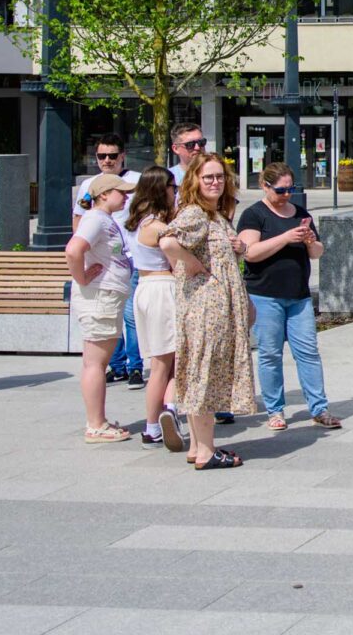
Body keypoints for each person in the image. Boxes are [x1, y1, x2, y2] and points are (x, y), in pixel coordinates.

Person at [159, 152, 256, 469]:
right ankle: (205, 451)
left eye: (219, 176)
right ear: (195, 181)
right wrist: (190, 263)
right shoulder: (196, 213)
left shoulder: (215, 214)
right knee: (205, 376)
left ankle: (198, 446)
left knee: (198, 373)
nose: (215, 182)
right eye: (208, 177)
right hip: (206, 309)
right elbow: (167, 242)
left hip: (211, 308)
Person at [237, 163, 339, 431]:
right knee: (270, 353)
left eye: (290, 189)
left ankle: (319, 408)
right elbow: (250, 253)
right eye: (280, 190)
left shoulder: (301, 213)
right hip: (265, 295)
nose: (286, 195)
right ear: (265, 186)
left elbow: (317, 252)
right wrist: (285, 237)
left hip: (298, 296)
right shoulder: (253, 215)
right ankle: (275, 410)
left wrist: (307, 240)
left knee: (308, 352)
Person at [65, 172, 137, 444]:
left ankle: (98, 420)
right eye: (121, 192)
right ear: (104, 194)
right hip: (99, 297)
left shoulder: (102, 219)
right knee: (96, 363)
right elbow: (74, 250)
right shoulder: (95, 218)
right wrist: (81, 277)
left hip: (105, 296)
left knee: (96, 362)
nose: (126, 196)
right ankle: (96, 424)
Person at [75, 134, 143, 389]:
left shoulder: (135, 181)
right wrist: (80, 270)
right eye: (101, 156)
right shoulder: (90, 186)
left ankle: (135, 366)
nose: (107, 160)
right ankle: (117, 365)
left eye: (112, 156)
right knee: (109, 320)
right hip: (103, 266)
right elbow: (78, 224)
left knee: (130, 316)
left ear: (122, 155)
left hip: (131, 257)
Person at [124, 166, 183, 449]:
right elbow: (178, 260)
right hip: (162, 288)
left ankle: (155, 423)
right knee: (167, 363)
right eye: (173, 186)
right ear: (162, 189)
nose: (176, 191)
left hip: (146, 288)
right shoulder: (158, 227)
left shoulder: (139, 222)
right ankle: (165, 413)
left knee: (161, 362)